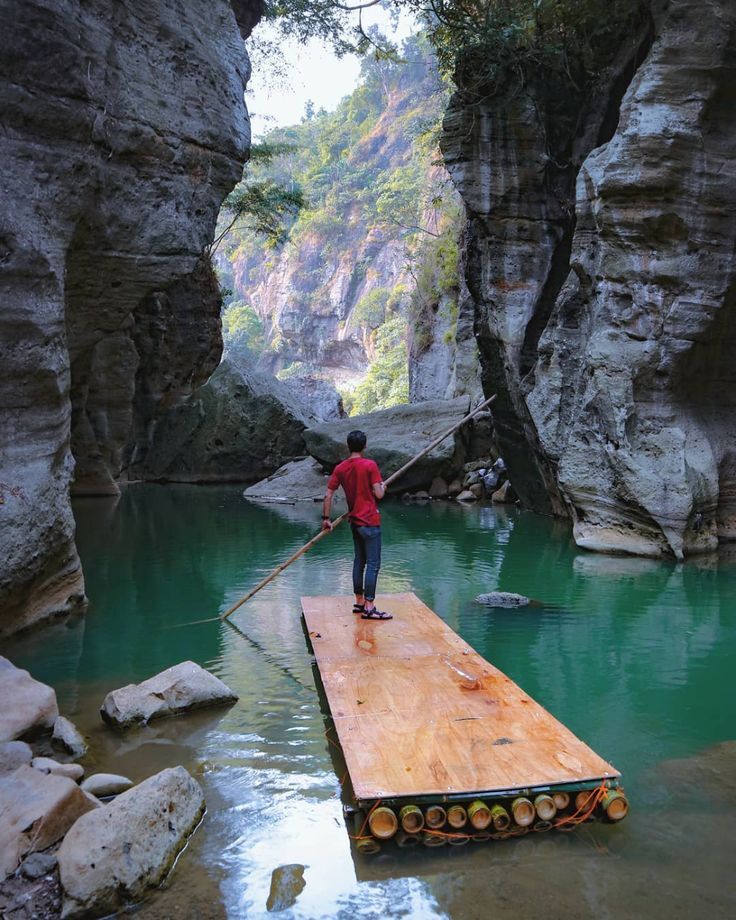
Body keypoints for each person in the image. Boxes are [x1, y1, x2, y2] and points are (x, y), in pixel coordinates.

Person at [322, 430, 392, 620]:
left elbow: (328, 494)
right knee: (373, 564)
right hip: (370, 521)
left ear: (348, 446)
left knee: (359, 562)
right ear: (365, 446)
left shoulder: (341, 468)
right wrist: (383, 486)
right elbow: (379, 495)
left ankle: (359, 602)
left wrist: (326, 518)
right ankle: (369, 607)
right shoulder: (370, 465)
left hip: (355, 522)